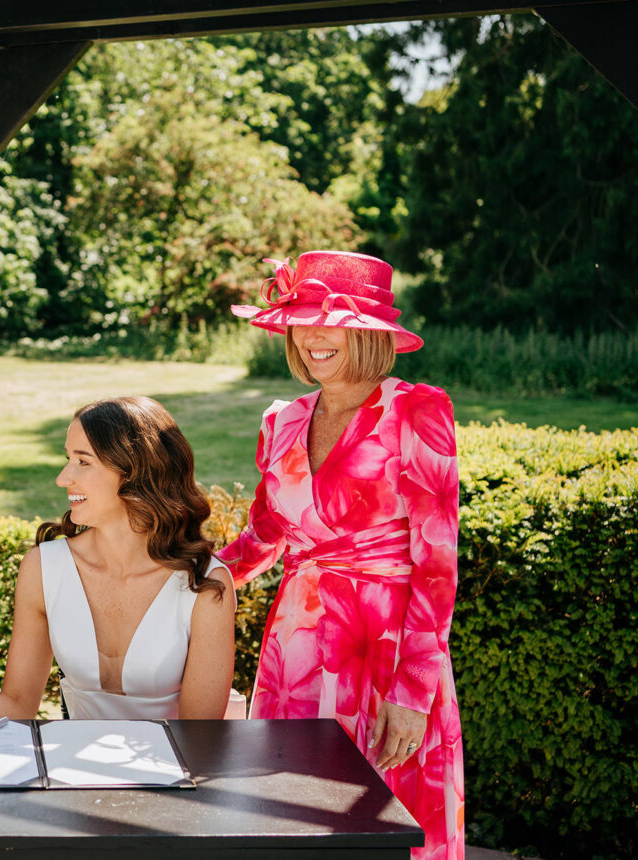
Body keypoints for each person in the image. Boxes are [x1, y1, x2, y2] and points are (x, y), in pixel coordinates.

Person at [223, 250, 464, 858]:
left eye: (330, 323)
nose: (312, 338)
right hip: (294, 653)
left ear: (371, 333)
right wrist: (188, 574)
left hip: (383, 654)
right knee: (292, 816)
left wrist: (414, 694)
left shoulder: (417, 411)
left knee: (381, 823)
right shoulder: (281, 420)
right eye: (301, 322)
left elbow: (437, 567)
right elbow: (266, 536)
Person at [0, 396, 237, 721]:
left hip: (176, 755)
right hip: (72, 755)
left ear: (134, 471)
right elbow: (17, 702)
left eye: (83, 462)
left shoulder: (204, 585)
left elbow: (199, 734)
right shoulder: (44, 568)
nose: (62, 478)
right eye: (68, 458)